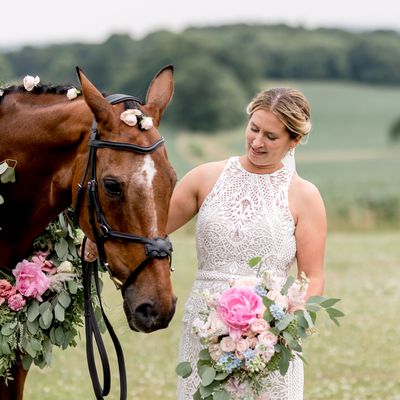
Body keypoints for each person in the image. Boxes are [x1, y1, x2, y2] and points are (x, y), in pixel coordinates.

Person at [167, 87, 326, 400]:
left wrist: (282, 326)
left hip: (268, 338)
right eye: (253, 129)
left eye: (271, 136)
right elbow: (149, 230)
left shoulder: (305, 196)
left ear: (294, 140)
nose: (256, 141)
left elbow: (313, 277)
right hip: (205, 330)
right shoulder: (204, 178)